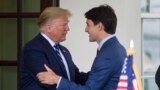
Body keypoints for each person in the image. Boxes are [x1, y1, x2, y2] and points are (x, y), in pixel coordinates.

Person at [37, 4, 127, 90]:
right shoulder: (118, 49)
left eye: (88, 24)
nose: (86, 29)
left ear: (99, 26)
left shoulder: (108, 54)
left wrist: (57, 80)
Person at [20, 7, 88, 90]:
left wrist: (102, 72)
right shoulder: (33, 49)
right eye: (64, 25)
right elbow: (48, 84)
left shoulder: (64, 51)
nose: (68, 29)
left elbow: (76, 77)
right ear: (49, 28)